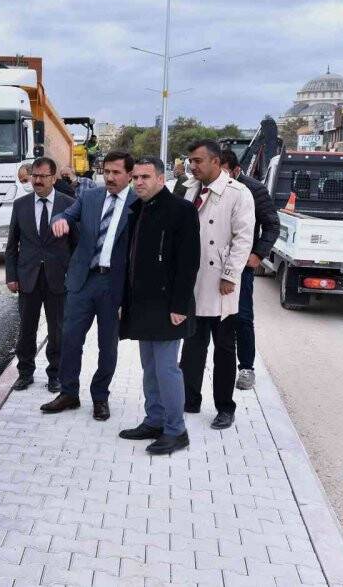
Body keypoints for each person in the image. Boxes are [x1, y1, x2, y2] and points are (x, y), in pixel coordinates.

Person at [41, 151, 137, 421]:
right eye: (106, 171)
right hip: (83, 280)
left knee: (108, 346)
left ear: (129, 175)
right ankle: (69, 392)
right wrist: (59, 221)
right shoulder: (90, 196)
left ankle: (100, 397)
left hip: (114, 285)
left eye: (116, 172)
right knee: (70, 338)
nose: (109, 177)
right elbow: (65, 216)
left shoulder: (137, 203)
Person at [119, 157, 200, 455]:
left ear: (161, 178)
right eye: (136, 177)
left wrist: (179, 305)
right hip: (143, 304)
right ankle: (154, 420)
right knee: (149, 368)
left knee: (167, 370)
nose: (139, 182)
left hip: (169, 306)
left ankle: (176, 430)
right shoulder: (137, 209)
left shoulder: (181, 210)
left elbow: (189, 262)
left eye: (145, 177)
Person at [178, 140, 255, 430]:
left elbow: (243, 238)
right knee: (192, 344)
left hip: (220, 281)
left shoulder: (238, 193)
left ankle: (225, 407)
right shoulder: (189, 189)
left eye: (198, 161)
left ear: (214, 161)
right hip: (192, 281)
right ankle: (189, 398)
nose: (193, 166)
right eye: (191, 161)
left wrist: (230, 275)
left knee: (224, 348)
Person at [5, 156, 76, 393]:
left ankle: (55, 375)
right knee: (26, 329)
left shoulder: (68, 204)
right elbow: (12, 245)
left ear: (53, 178)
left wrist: (74, 277)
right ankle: (25, 373)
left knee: (57, 331)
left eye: (42, 176)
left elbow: (76, 245)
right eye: (34, 176)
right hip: (28, 278)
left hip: (58, 279)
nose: (37, 180)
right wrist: (11, 276)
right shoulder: (21, 205)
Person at [219, 150, 280, 391]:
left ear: (235, 171)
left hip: (241, 265)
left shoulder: (254, 190)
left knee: (242, 316)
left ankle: (246, 367)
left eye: (223, 171)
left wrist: (257, 254)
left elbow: (272, 225)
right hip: (210, 264)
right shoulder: (205, 187)